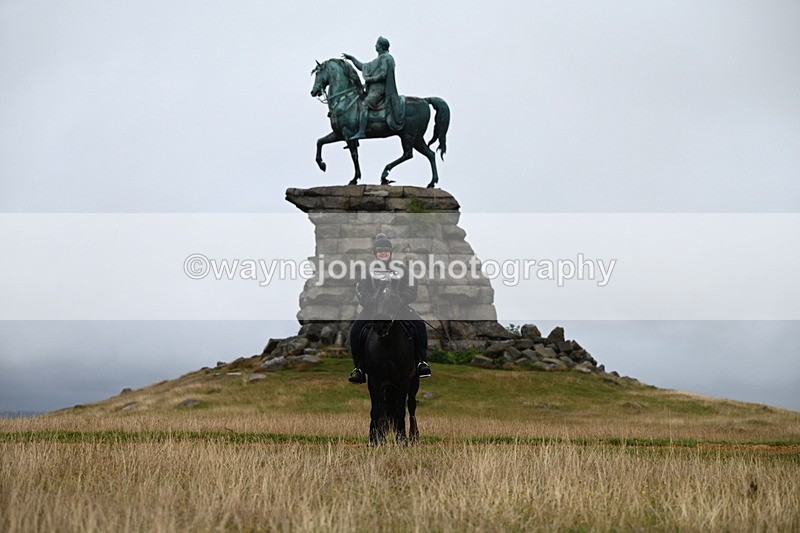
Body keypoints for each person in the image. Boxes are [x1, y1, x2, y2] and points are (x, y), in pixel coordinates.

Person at [348, 233, 431, 383]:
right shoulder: (368, 271)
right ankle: (359, 368)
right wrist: (370, 302)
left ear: (391, 252)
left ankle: (421, 362)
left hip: (397, 308)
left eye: (386, 250)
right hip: (373, 309)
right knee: (355, 331)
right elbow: (361, 289)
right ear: (375, 253)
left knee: (419, 325)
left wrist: (401, 299)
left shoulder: (401, 269)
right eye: (380, 251)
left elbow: (411, 287)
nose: (383, 253)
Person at [341, 36, 405, 140]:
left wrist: (370, 79)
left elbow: (383, 74)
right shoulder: (378, 60)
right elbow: (363, 66)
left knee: (364, 104)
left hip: (380, 90)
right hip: (373, 90)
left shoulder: (386, 58)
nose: (375, 45)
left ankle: (361, 132)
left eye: (377, 44)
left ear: (381, 46)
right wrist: (352, 58)